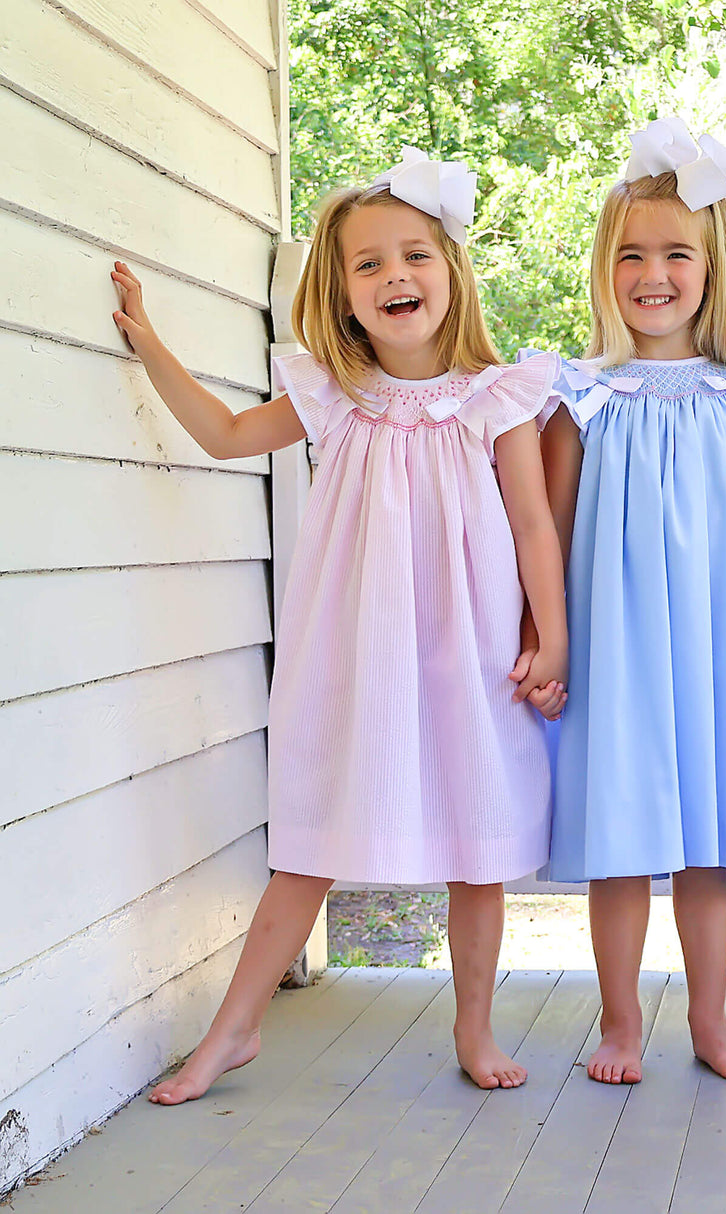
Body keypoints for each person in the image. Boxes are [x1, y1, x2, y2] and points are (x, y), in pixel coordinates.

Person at [110, 147, 568, 1100]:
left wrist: (549, 637)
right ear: (345, 292)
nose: (395, 275)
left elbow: (532, 523)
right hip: (354, 649)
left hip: (469, 646)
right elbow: (227, 436)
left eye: (416, 255)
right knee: (310, 839)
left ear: (453, 271)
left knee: (474, 843)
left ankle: (475, 1032)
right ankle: (232, 1032)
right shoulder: (332, 394)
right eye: (369, 264)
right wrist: (149, 342)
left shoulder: (497, 396)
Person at [540, 117, 726, 1085]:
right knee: (620, 836)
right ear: (603, 268)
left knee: (704, 840)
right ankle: (619, 1024)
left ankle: (707, 1016)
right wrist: (550, 640)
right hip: (613, 643)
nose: (652, 273)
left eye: (675, 253)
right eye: (630, 254)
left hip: (708, 641)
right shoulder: (581, 394)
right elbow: (550, 529)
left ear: (713, 264)